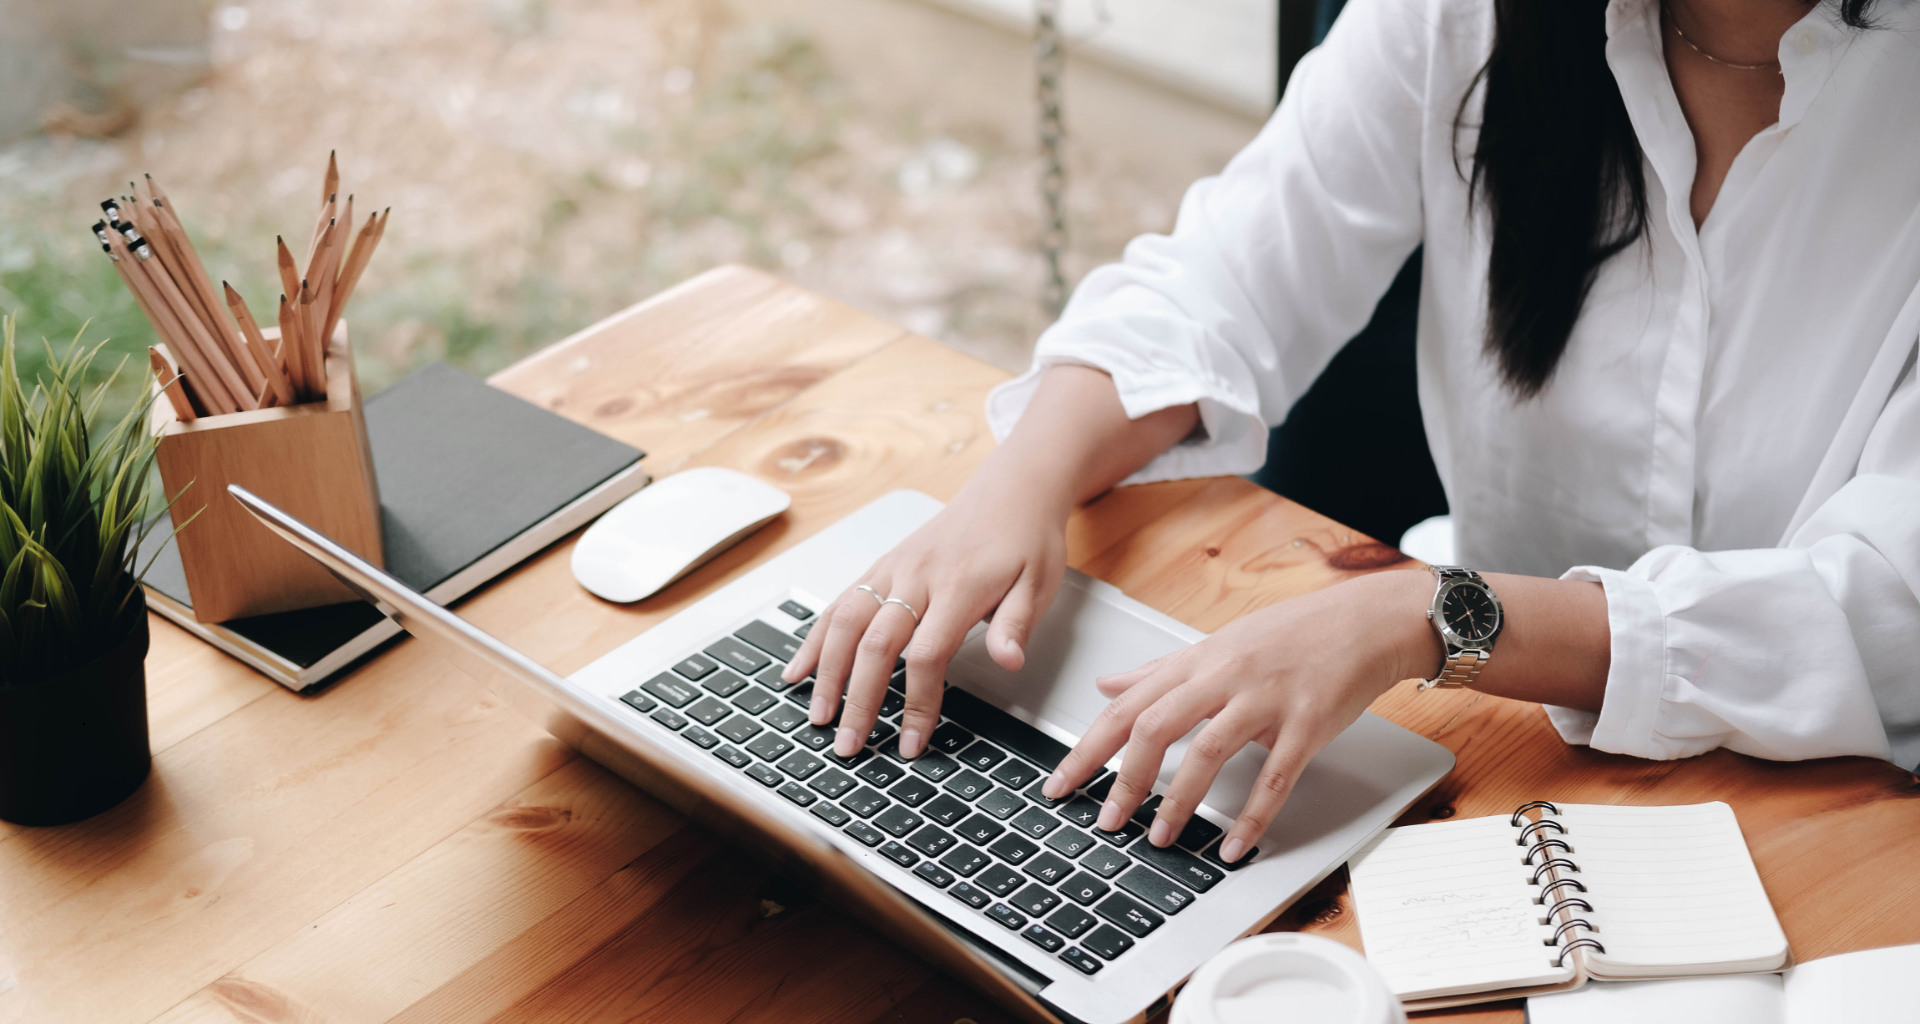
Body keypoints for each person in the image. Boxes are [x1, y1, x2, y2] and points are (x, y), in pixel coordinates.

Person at [783, 0, 1920, 867]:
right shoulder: (1465, 15)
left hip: (1843, 811)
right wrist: (1013, 489)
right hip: (1501, 753)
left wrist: (1424, 613)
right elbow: (1228, 274)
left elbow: (1883, 612)